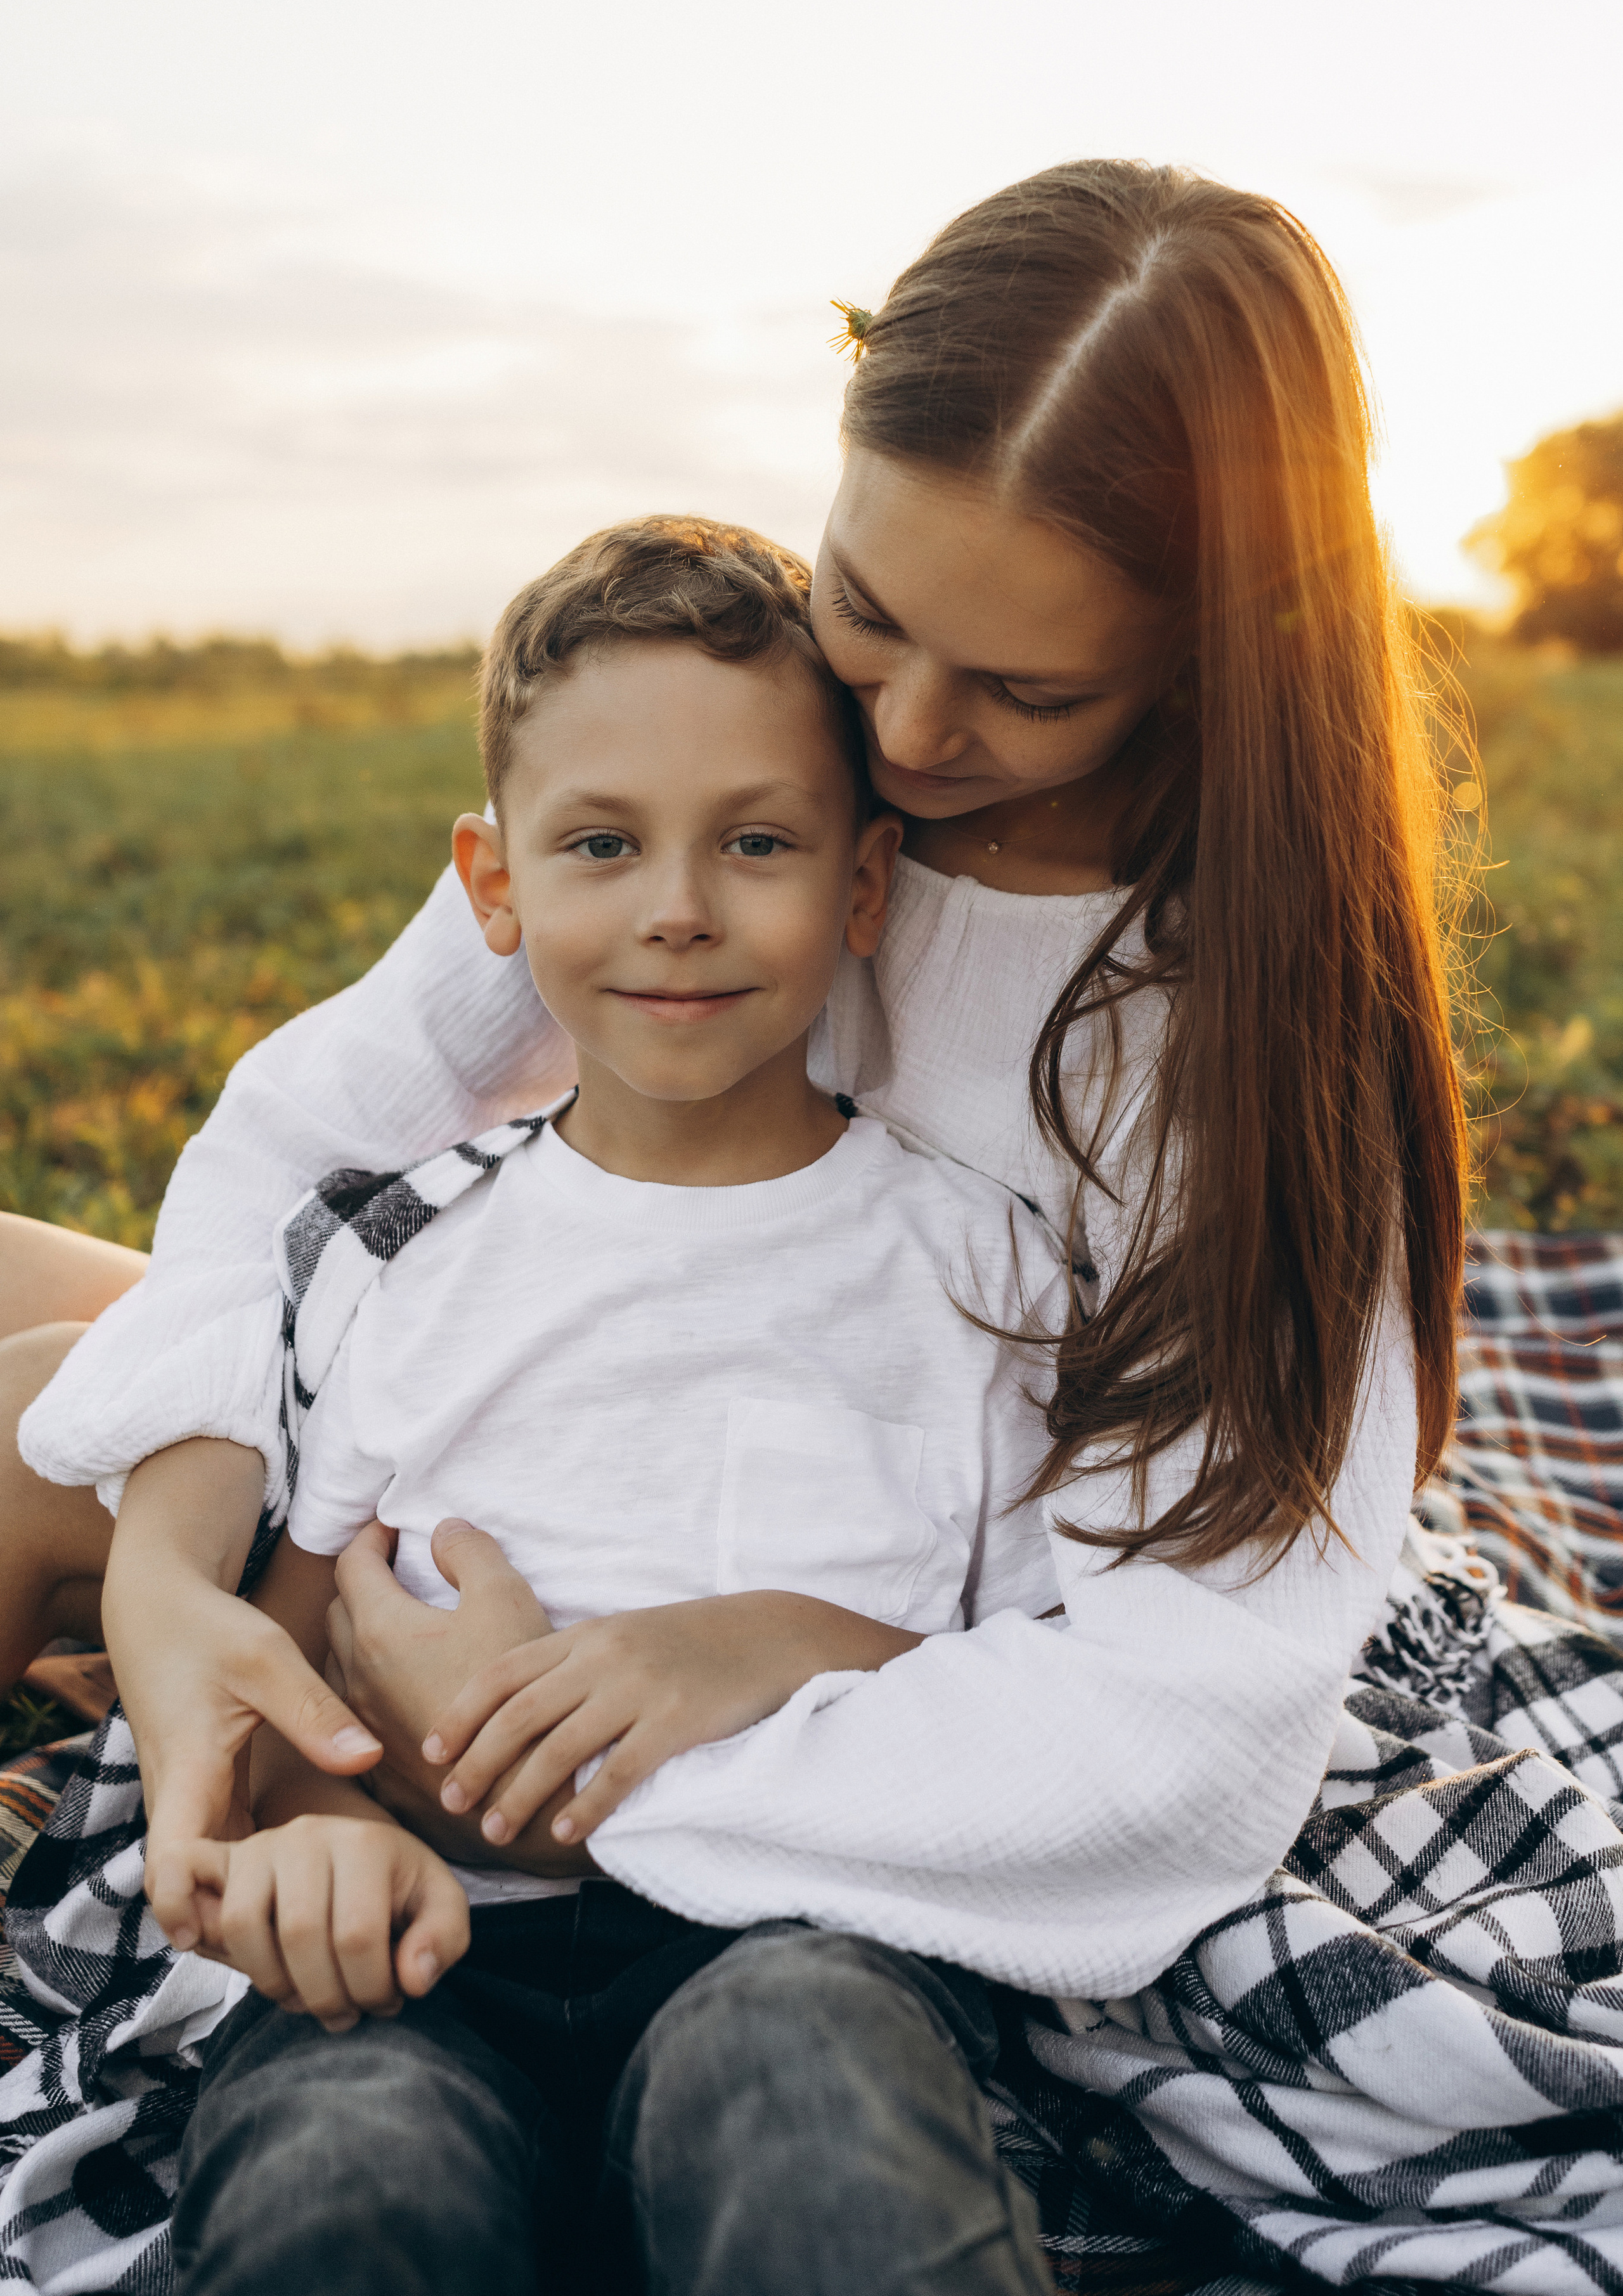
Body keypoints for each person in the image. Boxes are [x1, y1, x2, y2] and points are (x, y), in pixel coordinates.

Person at [4, 157, 1455, 2087]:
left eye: (1026, 689)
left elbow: (1176, 1736)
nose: (906, 736)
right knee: (27, 1330)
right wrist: (174, 1586)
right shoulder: (750, 748)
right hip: (601, 1414)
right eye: (871, 607)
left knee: (45, 1399)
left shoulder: (1229, 1049)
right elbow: (306, 1138)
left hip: (867, 1553)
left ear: (1212, 651)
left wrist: (529, 1767)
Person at [159, 522, 1061, 2295]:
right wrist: (325, 1838)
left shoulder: (978, 1271)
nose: (677, 906)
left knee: (816, 2122)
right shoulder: (397, 1255)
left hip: (812, 1941)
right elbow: (280, 1682)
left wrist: (782, 1642)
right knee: (343, 2181)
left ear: (866, 884)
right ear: (493, 885)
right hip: (423, 1956)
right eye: (601, 844)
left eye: (757, 842)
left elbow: (1050, 1693)